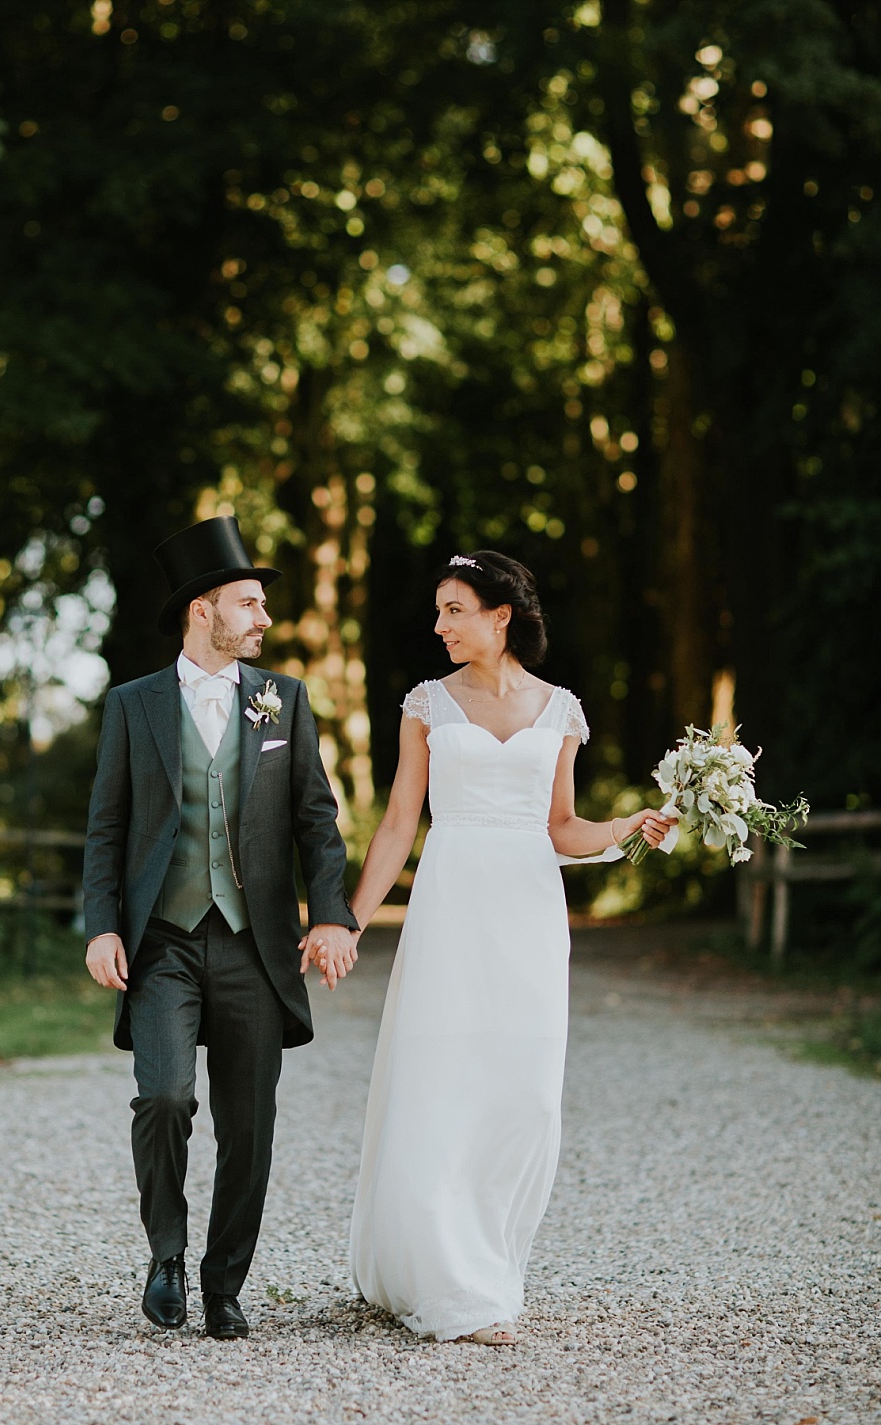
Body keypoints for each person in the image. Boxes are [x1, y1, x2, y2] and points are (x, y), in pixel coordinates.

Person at [344, 551, 672, 1345]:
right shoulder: (425, 705)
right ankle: (449, 1284)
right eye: (438, 609)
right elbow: (398, 825)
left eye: (454, 609)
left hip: (527, 912)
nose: (439, 624)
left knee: (520, 1094)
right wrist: (346, 920)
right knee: (441, 1083)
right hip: (451, 904)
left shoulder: (561, 710)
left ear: (501, 615)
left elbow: (561, 827)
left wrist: (626, 827)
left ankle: (490, 1264)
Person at [82, 516, 358, 1339]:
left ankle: (223, 1279)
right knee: (163, 1097)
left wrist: (333, 913)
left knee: (250, 1127)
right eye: (251, 602)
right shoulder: (132, 706)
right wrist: (103, 926)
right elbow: (106, 827)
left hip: (254, 946)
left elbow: (317, 818)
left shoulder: (284, 701)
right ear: (204, 610)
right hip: (163, 940)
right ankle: (166, 1252)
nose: (264, 618)